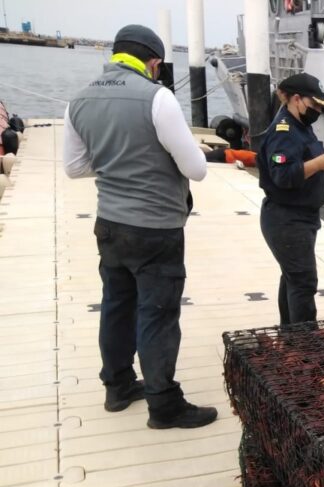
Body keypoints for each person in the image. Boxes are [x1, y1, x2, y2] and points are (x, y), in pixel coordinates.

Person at [63, 24, 217, 429]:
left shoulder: (78, 100)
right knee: (158, 313)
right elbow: (196, 169)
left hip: (110, 223)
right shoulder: (158, 97)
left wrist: (118, 160)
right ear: (154, 63)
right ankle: (163, 404)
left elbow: (74, 167)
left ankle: (117, 387)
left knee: (116, 304)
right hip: (156, 229)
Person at [256, 72, 324, 325]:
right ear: (296, 99)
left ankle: (291, 339)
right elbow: (282, 176)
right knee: (303, 282)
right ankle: (306, 346)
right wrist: (318, 163)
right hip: (287, 218)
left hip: (303, 216)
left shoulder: (302, 127)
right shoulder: (284, 131)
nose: (317, 110)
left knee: (293, 277)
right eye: (314, 104)